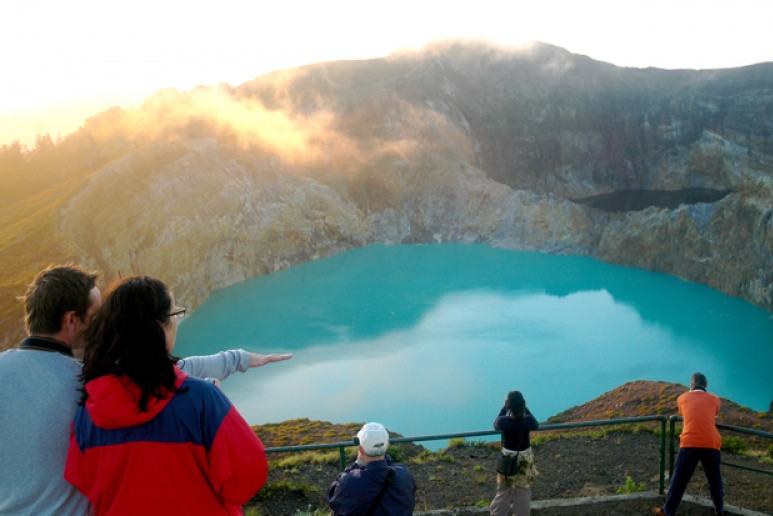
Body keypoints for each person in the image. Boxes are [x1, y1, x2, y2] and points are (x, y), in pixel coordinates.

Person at [0, 265, 289, 515]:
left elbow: (84, 476)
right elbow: (247, 475)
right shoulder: (85, 385)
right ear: (72, 320)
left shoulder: (92, 395)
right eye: (98, 316)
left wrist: (234, 360)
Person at [64, 275, 268, 514]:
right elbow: (247, 477)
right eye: (174, 315)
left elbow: (82, 483)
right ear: (159, 326)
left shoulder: (87, 411)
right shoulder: (202, 399)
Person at [654, 373, 723, 516]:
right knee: (714, 480)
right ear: (706, 385)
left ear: (691, 384)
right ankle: (719, 511)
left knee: (679, 480)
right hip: (711, 443)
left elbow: (684, 413)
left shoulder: (682, 398)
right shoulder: (715, 399)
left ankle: (668, 511)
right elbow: (714, 415)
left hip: (689, 442)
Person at [327, 422, 416, 515]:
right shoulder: (404, 474)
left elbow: (334, 501)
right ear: (387, 446)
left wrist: (356, 464)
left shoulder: (349, 481)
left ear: (361, 450)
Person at [490, 390, 539, 516]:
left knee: (503, 491)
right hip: (524, 458)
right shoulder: (528, 421)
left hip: (507, 459)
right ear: (522, 404)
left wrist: (504, 408)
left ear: (509, 405)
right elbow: (536, 423)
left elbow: (495, 424)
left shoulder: (503, 421)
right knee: (523, 490)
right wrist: (525, 407)